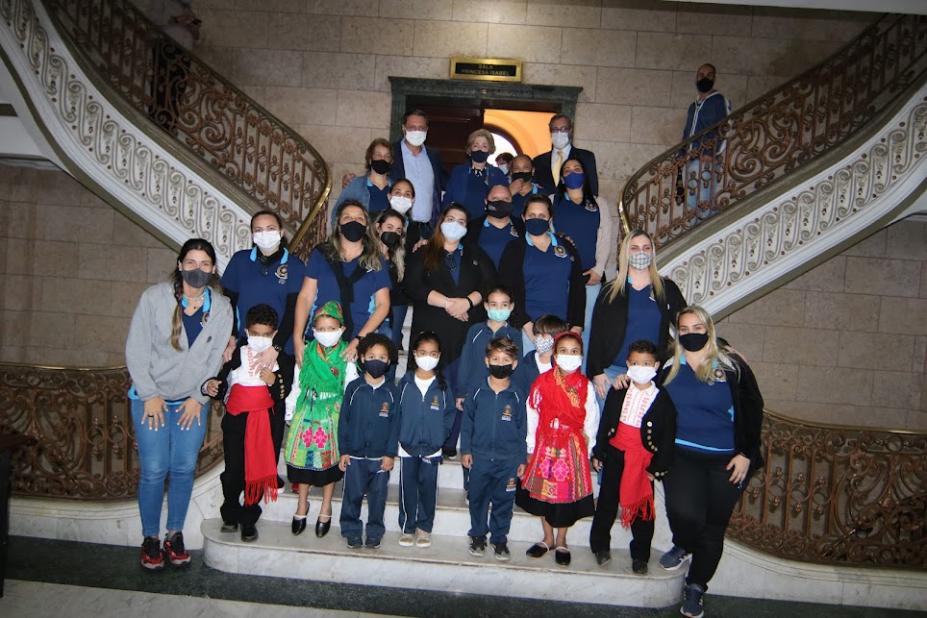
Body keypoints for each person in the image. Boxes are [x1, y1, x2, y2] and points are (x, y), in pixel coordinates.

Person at [125, 238, 233, 570]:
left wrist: (198, 399)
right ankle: (150, 538)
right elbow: (136, 349)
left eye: (204, 264)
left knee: (184, 469)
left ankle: (174, 534)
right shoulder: (154, 298)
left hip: (190, 404)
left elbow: (216, 359)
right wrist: (149, 394)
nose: (197, 270)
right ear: (179, 264)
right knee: (155, 470)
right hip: (151, 401)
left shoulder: (223, 308)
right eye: (191, 262)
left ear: (213, 269)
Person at [657, 306, 764, 618]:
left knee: (713, 528)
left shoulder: (731, 365)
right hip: (681, 453)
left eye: (698, 327)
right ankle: (682, 543)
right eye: (685, 328)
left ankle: (696, 586)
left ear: (709, 328)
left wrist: (747, 453)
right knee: (683, 512)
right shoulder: (668, 364)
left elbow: (753, 407)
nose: (691, 333)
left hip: (726, 460)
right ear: (678, 332)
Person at [402, 203, 496, 456]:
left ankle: (450, 441)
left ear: (467, 228)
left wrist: (466, 302)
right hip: (431, 331)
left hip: (465, 333)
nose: (455, 224)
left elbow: (491, 284)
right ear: (441, 221)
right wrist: (448, 303)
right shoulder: (423, 252)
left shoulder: (475, 253)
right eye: (451, 218)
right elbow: (412, 285)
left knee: (460, 389)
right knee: (431, 389)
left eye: (461, 221)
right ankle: (425, 437)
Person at [203, 304, 294, 543]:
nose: (260, 339)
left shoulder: (282, 359)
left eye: (266, 335)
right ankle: (230, 511)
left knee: (257, 470)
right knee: (234, 471)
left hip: (266, 422)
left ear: (274, 334)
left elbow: (284, 392)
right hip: (236, 421)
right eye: (255, 334)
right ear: (246, 331)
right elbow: (222, 382)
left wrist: (274, 381)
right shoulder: (236, 354)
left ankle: (249, 518)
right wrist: (212, 386)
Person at [589, 340, 676, 573]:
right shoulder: (618, 391)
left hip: (642, 460)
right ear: (628, 364)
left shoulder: (663, 399)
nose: (641, 367)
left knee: (641, 509)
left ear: (656, 365)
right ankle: (600, 546)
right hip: (616, 453)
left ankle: (640, 555)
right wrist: (599, 451)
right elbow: (607, 421)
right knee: (606, 502)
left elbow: (668, 437)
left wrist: (657, 467)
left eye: (646, 363)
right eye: (636, 363)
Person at [517, 332, 597, 566]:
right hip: (545, 443)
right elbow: (532, 413)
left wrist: (588, 447)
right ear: (554, 354)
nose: (569, 356)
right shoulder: (542, 382)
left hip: (572, 446)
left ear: (581, 355)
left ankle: (561, 539)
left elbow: (591, 418)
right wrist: (531, 446)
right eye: (564, 351)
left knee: (564, 496)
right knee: (543, 493)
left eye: (574, 352)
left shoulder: (585, 385)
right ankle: (547, 538)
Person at [284, 301, 358, 538]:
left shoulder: (347, 355)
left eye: (331, 328)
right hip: (307, 409)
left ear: (342, 329)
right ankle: (302, 504)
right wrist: (290, 410)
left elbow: (349, 388)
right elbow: (298, 383)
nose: (326, 333)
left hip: (332, 414)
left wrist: (346, 418)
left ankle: (326, 505)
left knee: (329, 462)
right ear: (313, 330)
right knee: (304, 462)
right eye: (321, 329)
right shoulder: (305, 352)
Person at [588, 229, 687, 404]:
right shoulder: (610, 291)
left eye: (646, 248)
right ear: (626, 253)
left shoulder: (666, 289)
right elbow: (597, 334)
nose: (641, 252)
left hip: (652, 374)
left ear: (652, 252)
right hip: (613, 373)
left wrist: (721, 349)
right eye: (634, 248)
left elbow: (688, 324)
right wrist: (596, 372)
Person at [294, 200, 390, 365]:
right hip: (319, 336)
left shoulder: (376, 260)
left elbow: (383, 305)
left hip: (358, 341)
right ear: (338, 225)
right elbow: (305, 297)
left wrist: (359, 340)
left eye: (359, 218)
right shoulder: (321, 254)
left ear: (367, 226)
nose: (353, 221)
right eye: (347, 218)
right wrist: (297, 338)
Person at [461, 337, 527, 562]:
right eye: (496, 359)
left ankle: (500, 539)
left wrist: (521, 458)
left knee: (503, 501)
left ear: (514, 364)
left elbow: (522, 429)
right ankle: (478, 535)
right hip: (479, 458)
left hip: (507, 461)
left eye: (506, 359)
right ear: (487, 361)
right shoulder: (477, 392)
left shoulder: (517, 395)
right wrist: (466, 450)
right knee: (478, 499)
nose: (501, 363)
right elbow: (467, 423)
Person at [498, 195, 585, 354]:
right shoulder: (514, 249)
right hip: (528, 328)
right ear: (523, 217)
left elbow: (578, 287)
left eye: (542, 216)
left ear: (550, 218)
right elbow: (507, 291)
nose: (536, 219)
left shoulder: (566, 246)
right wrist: (528, 328)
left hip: (563, 329)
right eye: (531, 215)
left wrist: (577, 326)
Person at [338, 333, 401, 549]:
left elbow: (395, 426)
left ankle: (375, 531)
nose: (376, 360)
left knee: (378, 498)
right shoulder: (353, 388)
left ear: (389, 361)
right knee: (352, 496)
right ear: (362, 358)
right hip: (354, 454)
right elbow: (344, 421)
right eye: (372, 355)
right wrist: (344, 450)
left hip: (380, 457)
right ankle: (351, 529)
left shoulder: (392, 392)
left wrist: (390, 453)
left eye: (382, 357)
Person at [221, 210, 304, 371]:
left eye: (270, 228)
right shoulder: (239, 261)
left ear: (281, 233)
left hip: (281, 346)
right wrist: (230, 337)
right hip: (243, 343)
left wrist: (276, 347)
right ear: (252, 235)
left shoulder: (295, 266)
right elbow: (228, 304)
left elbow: (294, 310)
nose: (264, 234)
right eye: (258, 230)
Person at [396, 331, 456, 548]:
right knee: (407, 488)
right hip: (407, 446)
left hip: (432, 447)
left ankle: (424, 528)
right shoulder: (405, 383)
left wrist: (441, 435)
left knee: (428, 489)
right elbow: (397, 412)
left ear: (439, 355)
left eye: (432, 353)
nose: (427, 357)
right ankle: (407, 527)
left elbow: (450, 414)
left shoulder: (442, 386)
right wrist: (400, 435)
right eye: (422, 353)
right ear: (414, 354)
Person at [551, 157, 612, 358]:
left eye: (577, 168)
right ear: (561, 178)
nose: (572, 172)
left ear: (585, 175)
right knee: (557, 328)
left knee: (584, 329)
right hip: (561, 277)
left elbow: (605, 237)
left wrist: (599, 268)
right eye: (567, 170)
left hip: (589, 276)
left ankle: (582, 378)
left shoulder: (599, 203)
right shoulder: (552, 201)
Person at [681, 63, 732, 219]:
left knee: (704, 202)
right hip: (691, 159)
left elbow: (726, 127)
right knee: (690, 205)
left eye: (708, 75)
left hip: (705, 160)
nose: (704, 77)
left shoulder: (718, 101)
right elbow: (687, 132)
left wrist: (711, 152)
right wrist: (680, 155)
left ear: (714, 78)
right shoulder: (693, 106)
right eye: (701, 74)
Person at [457, 285, 522, 402]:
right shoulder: (475, 330)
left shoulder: (514, 334)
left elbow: (518, 366)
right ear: (486, 306)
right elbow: (465, 362)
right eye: (494, 304)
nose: (499, 309)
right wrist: (461, 392)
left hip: (503, 395)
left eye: (504, 305)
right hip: (474, 393)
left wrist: (515, 395)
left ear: (511, 306)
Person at [393, 109, 448, 243]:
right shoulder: (391, 153)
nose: (417, 131)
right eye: (412, 127)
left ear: (427, 130)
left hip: (427, 230)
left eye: (421, 128)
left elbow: (445, 184)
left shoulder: (433, 156)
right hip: (398, 226)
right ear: (403, 128)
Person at [442, 128, 509, 221]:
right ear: (470, 149)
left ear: (490, 150)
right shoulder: (458, 171)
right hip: (461, 222)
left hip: (487, 223)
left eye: (484, 146)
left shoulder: (497, 174)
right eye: (476, 146)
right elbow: (448, 199)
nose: (480, 149)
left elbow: (505, 200)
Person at [532, 114, 599, 196]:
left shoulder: (586, 157)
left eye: (563, 129)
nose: (559, 132)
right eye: (555, 129)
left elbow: (592, 189)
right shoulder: (539, 161)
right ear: (550, 132)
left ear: (570, 130)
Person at [333, 138, 393, 227]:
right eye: (378, 155)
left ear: (391, 161)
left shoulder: (396, 188)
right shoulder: (355, 185)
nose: (382, 159)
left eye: (387, 156)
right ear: (370, 159)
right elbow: (337, 215)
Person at [375, 208, 410, 359]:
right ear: (378, 227)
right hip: (370, 306)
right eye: (389, 228)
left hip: (394, 306)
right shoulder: (364, 253)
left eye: (398, 230)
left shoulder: (400, 255)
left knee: (390, 349)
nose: (393, 233)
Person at [466, 184, 523, 269]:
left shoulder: (523, 227)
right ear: (486, 201)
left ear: (511, 201)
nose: (501, 203)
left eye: (506, 199)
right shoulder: (470, 228)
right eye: (495, 199)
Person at [512, 314, 568, 395]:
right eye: (537, 334)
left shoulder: (564, 365)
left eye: (544, 335)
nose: (538, 338)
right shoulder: (526, 364)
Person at [508, 154, 542, 220]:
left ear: (533, 170)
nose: (521, 171)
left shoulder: (544, 194)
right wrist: (508, 193)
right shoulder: (504, 194)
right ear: (511, 172)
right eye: (516, 169)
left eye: (525, 168)